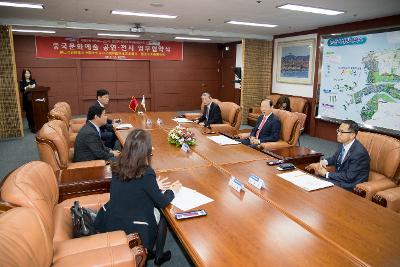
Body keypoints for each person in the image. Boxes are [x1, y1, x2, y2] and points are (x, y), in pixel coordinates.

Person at [95, 129, 182, 266]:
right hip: (135, 226)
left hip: (112, 218)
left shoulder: (117, 164)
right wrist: (172, 191)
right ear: (145, 152)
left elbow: (132, 186)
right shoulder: (146, 172)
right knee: (163, 214)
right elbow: (162, 202)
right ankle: (159, 255)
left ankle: (153, 253)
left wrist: (154, 185)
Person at [305, 120, 370, 191]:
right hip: (340, 179)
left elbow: (349, 177)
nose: (338, 134)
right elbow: (334, 158)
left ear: (352, 135)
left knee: (317, 184)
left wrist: (326, 174)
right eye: (338, 131)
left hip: (349, 185)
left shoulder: (359, 153)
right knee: (312, 179)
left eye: (342, 132)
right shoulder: (343, 144)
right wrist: (321, 162)